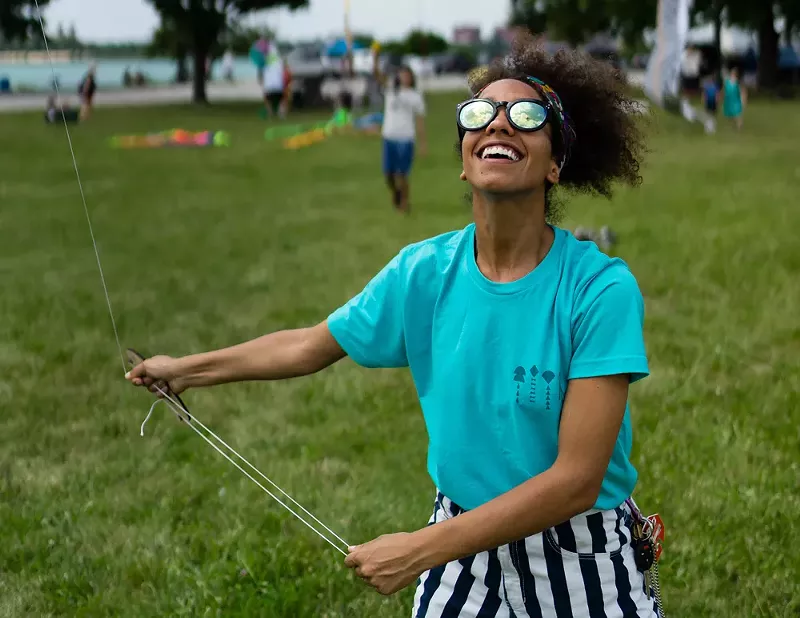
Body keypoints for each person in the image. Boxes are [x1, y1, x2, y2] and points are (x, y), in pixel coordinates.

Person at [126, 35, 659, 618]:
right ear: (463, 159)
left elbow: (577, 480)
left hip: (576, 550)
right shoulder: (422, 273)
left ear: (556, 163)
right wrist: (184, 371)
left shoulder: (599, 288)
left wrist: (421, 551)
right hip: (462, 548)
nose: (500, 124)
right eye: (480, 113)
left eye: (526, 116)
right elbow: (309, 345)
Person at [372, 47, 427, 213]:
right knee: (388, 174)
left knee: (402, 174)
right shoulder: (391, 90)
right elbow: (377, 75)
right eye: (402, 74)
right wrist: (375, 58)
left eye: (407, 75)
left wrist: (423, 143)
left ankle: (405, 203)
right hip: (389, 136)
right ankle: (396, 194)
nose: (404, 77)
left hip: (406, 138)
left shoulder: (415, 96)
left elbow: (420, 121)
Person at [722, 67, 746, 131]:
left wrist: (743, 99)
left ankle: (740, 125)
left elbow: (742, 92)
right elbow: (724, 90)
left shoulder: (738, 82)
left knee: (737, 113)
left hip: (736, 100)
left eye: (734, 73)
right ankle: (734, 125)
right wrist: (723, 97)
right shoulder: (727, 81)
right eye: (732, 73)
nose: (733, 74)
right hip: (728, 100)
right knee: (730, 114)